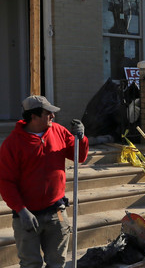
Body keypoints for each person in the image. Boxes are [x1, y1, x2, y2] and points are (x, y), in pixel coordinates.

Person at [0, 95, 88, 268]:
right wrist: (22, 210)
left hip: (57, 212)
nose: (53, 116)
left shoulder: (59, 131)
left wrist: (81, 138)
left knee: (57, 262)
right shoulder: (13, 143)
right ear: (33, 116)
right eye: (48, 113)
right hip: (27, 216)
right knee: (31, 264)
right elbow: (6, 182)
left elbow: (79, 156)